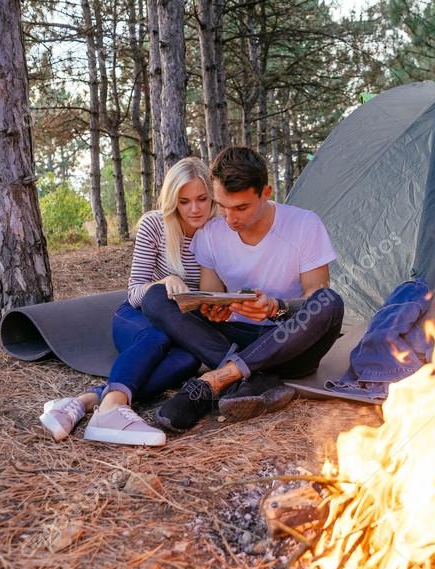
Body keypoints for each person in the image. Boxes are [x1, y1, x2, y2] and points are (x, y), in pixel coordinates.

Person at [141, 146, 344, 433]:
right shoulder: (211, 234)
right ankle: (257, 379)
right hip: (238, 337)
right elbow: (211, 296)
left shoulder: (304, 224)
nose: (229, 217)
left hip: (288, 341)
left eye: (241, 207)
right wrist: (214, 310)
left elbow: (316, 295)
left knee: (330, 302)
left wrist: (277, 306)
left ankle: (216, 380)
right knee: (156, 297)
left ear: (265, 192)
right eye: (221, 205)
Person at [38, 157, 213, 446]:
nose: (195, 209)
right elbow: (134, 292)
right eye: (184, 201)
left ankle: (83, 402)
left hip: (181, 327)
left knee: (189, 359)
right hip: (137, 317)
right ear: (173, 201)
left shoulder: (217, 231)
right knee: (156, 336)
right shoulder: (155, 225)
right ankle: (109, 412)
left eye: (202, 199)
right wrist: (162, 284)